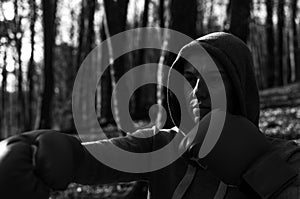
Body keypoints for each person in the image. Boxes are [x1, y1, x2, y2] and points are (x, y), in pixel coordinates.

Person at [0, 32, 299, 199]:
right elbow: (93, 159)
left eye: (213, 78)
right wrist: (52, 154)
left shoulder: (286, 157)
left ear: (238, 84)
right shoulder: (161, 146)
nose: (197, 91)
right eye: (190, 78)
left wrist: (262, 170)